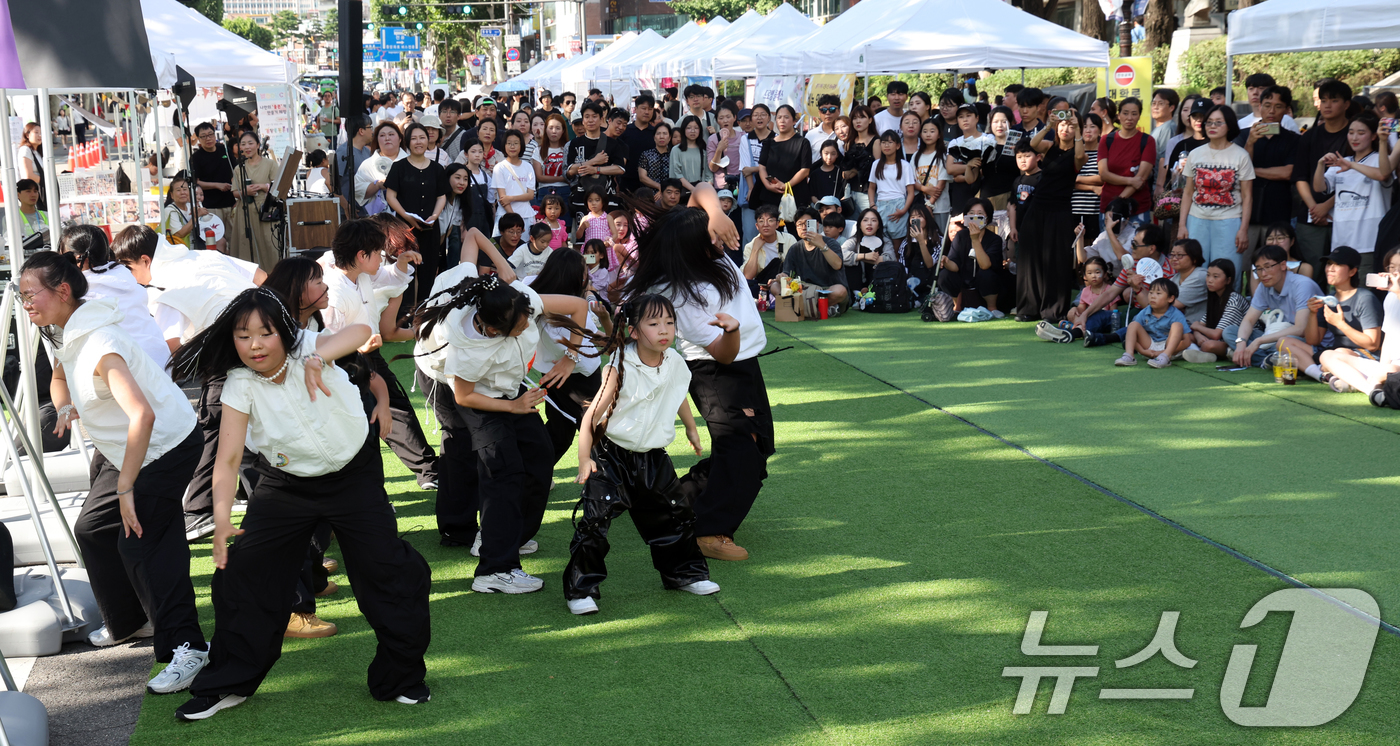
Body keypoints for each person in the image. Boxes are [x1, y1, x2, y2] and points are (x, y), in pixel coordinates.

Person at [168, 288, 430, 721]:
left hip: (353, 476)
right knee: (244, 575)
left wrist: (317, 359)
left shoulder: (309, 346)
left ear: (284, 334)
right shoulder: (238, 384)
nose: (254, 344)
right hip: (286, 486)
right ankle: (228, 683)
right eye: (243, 335)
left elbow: (363, 330)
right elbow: (228, 458)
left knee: (388, 572)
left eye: (265, 333)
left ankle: (400, 677)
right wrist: (218, 521)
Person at [22, 252, 208, 692]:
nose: (26, 304)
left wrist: (126, 486)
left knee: (142, 545)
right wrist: (67, 405)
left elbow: (141, 415)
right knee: (92, 528)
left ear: (62, 291)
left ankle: (189, 647)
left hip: (164, 447)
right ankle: (130, 621)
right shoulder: (73, 331)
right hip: (126, 448)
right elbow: (60, 378)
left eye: (31, 294)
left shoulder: (99, 342)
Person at [412, 272, 587, 591]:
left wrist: (569, 359)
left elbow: (578, 306)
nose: (526, 329)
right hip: (474, 392)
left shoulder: (518, 302)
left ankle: (505, 536)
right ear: (493, 331)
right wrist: (514, 407)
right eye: (519, 329)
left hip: (507, 387)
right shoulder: (465, 347)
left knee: (540, 453)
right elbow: (464, 396)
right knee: (502, 470)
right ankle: (495, 569)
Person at [625, 183, 764, 562]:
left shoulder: (709, 256)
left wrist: (716, 214)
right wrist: (731, 331)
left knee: (760, 447)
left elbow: (700, 189)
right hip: (717, 371)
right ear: (691, 246)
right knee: (740, 451)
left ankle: (677, 496)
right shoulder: (683, 293)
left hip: (746, 364)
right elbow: (720, 353)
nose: (717, 238)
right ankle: (710, 530)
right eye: (709, 235)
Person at [561, 294, 717, 616]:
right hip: (611, 457)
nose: (664, 330)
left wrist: (691, 428)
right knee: (595, 521)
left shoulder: (673, 361)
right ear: (633, 331)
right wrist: (584, 458)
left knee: (675, 514)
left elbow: (677, 394)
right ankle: (580, 589)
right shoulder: (620, 366)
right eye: (654, 323)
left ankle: (683, 574)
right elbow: (590, 418)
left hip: (652, 457)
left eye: (670, 322)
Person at [525, 249, 606, 469]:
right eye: (583, 273)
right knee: (594, 431)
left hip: (554, 373)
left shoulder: (532, 288)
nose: (585, 277)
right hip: (576, 375)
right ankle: (607, 480)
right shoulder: (560, 311)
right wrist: (572, 356)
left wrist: (596, 334)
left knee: (561, 429)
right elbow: (578, 325)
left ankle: (535, 473)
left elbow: (587, 330)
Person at [56, 226, 170, 371]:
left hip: (129, 374)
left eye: (63, 257)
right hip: (162, 364)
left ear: (79, 260)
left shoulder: (80, 293)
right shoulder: (126, 278)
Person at [1276, 247, 1383, 389]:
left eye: (1337, 265)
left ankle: (1326, 370)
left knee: (1337, 353)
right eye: (1328, 264)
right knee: (1284, 342)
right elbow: (1313, 340)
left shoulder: (1365, 298)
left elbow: (1373, 344)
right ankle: (1322, 375)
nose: (1330, 269)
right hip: (1332, 352)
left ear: (1352, 271)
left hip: (1363, 355)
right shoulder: (1329, 299)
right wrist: (1313, 314)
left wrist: (1341, 324)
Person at [1018, 108, 1086, 323]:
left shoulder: (1079, 153)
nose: (1065, 129)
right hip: (1037, 207)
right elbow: (1033, 144)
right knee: (1031, 257)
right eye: (1063, 125)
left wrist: (1078, 131)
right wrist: (1048, 125)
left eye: (1071, 126)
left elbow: (1078, 157)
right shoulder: (1048, 147)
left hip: (1061, 211)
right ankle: (1029, 308)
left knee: (1056, 261)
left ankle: (1053, 311)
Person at [1178, 105, 1254, 282]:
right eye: (1209, 122)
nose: (1212, 126)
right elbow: (1188, 192)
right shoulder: (1196, 154)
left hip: (1229, 221)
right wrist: (1182, 225)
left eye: (1218, 122)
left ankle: (1228, 309)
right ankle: (1198, 310)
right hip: (1196, 220)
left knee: (1226, 272)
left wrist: (1243, 229)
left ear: (1229, 126)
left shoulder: (1241, 156)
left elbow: (1247, 196)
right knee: (1196, 271)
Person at [1314, 114, 1393, 277]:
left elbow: (1382, 175)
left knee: (1366, 291)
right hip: (1341, 242)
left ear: (1373, 136)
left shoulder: (1380, 159)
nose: (1354, 137)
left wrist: (1352, 166)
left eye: (1361, 133)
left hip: (1370, 242)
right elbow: (1319, 187)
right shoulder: (1342, 162)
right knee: (1341, 293)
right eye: (1351, 132)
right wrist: (1320, 164)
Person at [1293, 79, 1355, 277]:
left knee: (1345, 272)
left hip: (1348, 213)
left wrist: (1327, 205)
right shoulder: (1309, 137)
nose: (1327, 105)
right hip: (1311, 218)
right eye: (1323, 100)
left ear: (1346, 104)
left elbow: (1358, 179)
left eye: (1334, 100)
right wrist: (1315, 209)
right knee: (1313, 272)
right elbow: (1300, 177)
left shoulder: (1354, 135)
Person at [1321, 249, 1400, 399]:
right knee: (1327, 356)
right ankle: (1372, 391)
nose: (1395, 273)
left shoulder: (1367, 297)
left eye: (1399, 268)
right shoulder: (1390, 298)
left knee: (1387, 370)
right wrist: (1381, 370)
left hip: (1395, 368)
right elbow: (1388, 340)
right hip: (1388, 368)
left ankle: (1365, 384)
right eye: (1391, 267)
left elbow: (1373, 344)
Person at [1229, 244, 1325, 368]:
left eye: (1268, 267)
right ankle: (1269, 359)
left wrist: (1259, 341)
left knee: (1283, 342)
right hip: (1277, 333)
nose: (1263, 274)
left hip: (1305, 341)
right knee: (1230, 331)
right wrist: (1240, 343)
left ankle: (1263, 358)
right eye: (1258, 268)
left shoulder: (1302, 285)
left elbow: (1300, 329)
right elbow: (1249, 319)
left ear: (1283, 265)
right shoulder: (1263, 287)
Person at [386, 122, 449, 309]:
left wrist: (435, 215)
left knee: (428, 273)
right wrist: (405, 215)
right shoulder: (399, 167)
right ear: (407, 142)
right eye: (413, 138)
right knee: (405, 274)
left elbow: (442, 196)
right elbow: (391, 195)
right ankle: (403, 316)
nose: (418, 142)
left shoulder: (437, 169)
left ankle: (424, 314)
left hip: (430, 228)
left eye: (422, 137)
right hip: (404, 229)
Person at [1237, 86, 1301, 258]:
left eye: (1278, 106)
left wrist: (1252, 170)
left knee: (1274, 261)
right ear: (1259, 107)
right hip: (1245, 211)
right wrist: (1250, 143)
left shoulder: (1293, 140)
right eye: (1267, 105)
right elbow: (1238, 170)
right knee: (1242, 263)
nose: (1271, 111)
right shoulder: (1243, 135)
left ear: (1287, 109)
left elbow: (1288, 173)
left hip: (1278, 209)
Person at [937, 198, 1004, 316]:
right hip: (964, 282)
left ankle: (992, 307)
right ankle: (957, 305)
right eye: (971, 214)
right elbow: (955, 266)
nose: (975, 217)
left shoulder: (994, 239)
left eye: (980, 214)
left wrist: (975, 240)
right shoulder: (960, 236)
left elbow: (985, 265)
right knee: (945, 275)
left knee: (986, 274)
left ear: (987, 218)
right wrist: (946, 262)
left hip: (986, 284)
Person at [769, 207, 848, 306]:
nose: (803, 227)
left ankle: (802, 307)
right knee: (775, 286)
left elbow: (837, 265)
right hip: (804, 291)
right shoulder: (795, 248)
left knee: (840, 291)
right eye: (799, 224)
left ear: (817, 224)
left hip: (827, 290)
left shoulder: (830, 243)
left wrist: (822, 246)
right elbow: (787, 274)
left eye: (807, 223)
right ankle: (816, 308)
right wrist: (780, 277)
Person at [1098, 97, 1156, 226]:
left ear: (1139, 116)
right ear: (1118, 115)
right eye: (1125, 113)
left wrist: (1118, 203)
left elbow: (1140, 179)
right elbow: (1104, 174)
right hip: (1108, 208)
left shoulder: (1148, 141)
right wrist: (1130, 180)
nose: (1129, 118)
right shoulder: (1106, 140)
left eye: (1134, 114)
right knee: (1108, 246)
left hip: (1137, 208)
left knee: (1138, 246)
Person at [565, 101, 625, 224]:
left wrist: (596, 169)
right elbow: (570, 171)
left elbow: (620, 169)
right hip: (582, 197)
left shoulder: (612, 143)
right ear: (583, 120)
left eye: (594, 116)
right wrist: (593, 161)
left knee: (607, 236)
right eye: (587, 117)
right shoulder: (575, 144)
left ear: (601, 119)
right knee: (582, 236)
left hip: (607, 196)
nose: (590, 120)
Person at [1035, 257, 1119, 343]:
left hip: (1104, 321)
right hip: (1088, 318)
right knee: (1072, 313)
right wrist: (1075, 309)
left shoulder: (1110, 290)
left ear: (1105, 274)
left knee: (1098, 315)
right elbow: (1081, 309)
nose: (1093, 276)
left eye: (1097, 272)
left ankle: (1070, 330)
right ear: (1085, 276)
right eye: (1089, 273)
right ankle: (1069, 330)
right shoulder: (1086, 291)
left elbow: (1114, 313)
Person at [1114, 278, 1189, 368]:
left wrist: (1162, 352)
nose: (1153, 296)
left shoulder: (1176, 314)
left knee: (1177, 325)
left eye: (1158, 293)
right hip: (1149, 348)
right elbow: (1134, 336)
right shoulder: (1144, 312)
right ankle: (1129, 356)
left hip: (1170, 349)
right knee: (1133, 325)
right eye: (1151, 292)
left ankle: (1165, 357)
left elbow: (1187, 341)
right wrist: (1142, 351)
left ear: (1170, 298)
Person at [756, 105, 812, 221]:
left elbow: (805, 170)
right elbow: (762, 167)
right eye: (779, 117)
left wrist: (786, 185)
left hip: (795, 194)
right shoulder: (768, 143)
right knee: (770, 230)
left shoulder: (802, 142)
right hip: (770, 194)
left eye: (786, 117)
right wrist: (767, 185)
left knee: (796, 232)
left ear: (794, 121)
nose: (782, 120)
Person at [868, 130, 916, 248]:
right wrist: (872, 205)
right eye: (883, 142)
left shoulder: (905, 165)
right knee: (879, 242)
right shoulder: (876, 164)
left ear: (898, 145)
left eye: (890, 142)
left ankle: (898, 266)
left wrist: (904, 210)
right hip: (881, 205)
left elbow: (910, 192)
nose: (886, 145)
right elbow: (871, 188)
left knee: (897, 245)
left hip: (898, 205)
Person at [947, 103, 994, 220]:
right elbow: (950, 168)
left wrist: (961, 174)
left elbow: (985, 168)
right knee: (959, 228)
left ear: (977, 118)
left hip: (982, 190)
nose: (965, 119)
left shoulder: (988, 139)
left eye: (968, 115)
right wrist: (969, 165)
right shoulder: (955, 142)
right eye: (961, 117)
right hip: (960, 194)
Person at [191, 122, 238, 232]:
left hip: (230, 203)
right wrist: (217, 185)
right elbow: (196, 182)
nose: (208, 139)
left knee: (233, 239)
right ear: (198, 138)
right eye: (203, 136)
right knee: (216, 239)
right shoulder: (196, 158)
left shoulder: (225, 150)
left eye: (210, 134)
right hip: (210, 206)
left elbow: (236, 172)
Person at [739, 106, 775, 246]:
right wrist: (751, 188)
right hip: (751, 188)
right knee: (749, 233)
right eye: (756, 115)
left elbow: (775, 167)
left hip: (770, 189)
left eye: (763, 114)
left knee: (770, 232)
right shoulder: (745, 138)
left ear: (769, 118)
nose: (759, 118)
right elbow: (745, 168)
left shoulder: (776, 138)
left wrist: (755, 169)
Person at [911, 118, 950, 235]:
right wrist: (924, 189)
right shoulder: (916, 156)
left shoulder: (943, 155)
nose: (928, 134)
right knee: (918, 237)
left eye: (932, 131)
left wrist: (930, 205)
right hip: (919, 209)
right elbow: (911, 181)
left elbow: (941, 185)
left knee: (940, 238)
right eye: (925, 131)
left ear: (939, 135)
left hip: (940, 207)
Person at [743, 204, 797, 286]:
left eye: (770, 220)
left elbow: (797, 267)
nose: (765, 224)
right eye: (761, 221)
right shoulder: (750, 246)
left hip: (786, 285)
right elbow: (748, 277)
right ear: (757, 226)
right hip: (762, 288)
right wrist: (755, 249)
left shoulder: (789, 239)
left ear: (777, 224)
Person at [1072, 113, 1104, 238]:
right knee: (1076, 248)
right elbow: (1066, 180)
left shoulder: (1103, 152)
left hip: (1096, 208)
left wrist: (1077, 179)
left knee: (1094, 247)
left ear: (1100, 131)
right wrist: (1092, 186)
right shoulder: (1074, 151)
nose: (1088, 130)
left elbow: (1102, 178)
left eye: (1093, 126)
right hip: (1075, 207)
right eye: (1085, 126)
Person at [620, 94, 660, 192]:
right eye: (643, 108)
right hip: (626, 181)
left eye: (650, 109)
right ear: (636, 109)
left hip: (650, 182)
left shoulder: (656, 133)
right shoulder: (625, 131)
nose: (647, 112)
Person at [1237, 73, 1302, 134]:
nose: (1255, 92)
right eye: (1251, 89)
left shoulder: (1285, 120)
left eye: (1261, 88)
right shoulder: (1241, 123)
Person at [845, 106, 878, 215]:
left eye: (862, 117)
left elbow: (877, 170)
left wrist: (854, 170)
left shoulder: (876, 142)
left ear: (870, 120)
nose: (858, 121)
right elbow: (846, 174)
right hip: (851, 192)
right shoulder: (849, 142)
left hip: (868, 193)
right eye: (854, 118)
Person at [1168, 238, 1208, 322]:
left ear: (1194, 258)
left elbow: (1166, 305)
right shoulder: (1175, 278)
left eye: (1179, 255)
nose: (1174, 259)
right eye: (1172, 255)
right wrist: (1138, 288)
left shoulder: (1199, 276)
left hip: (1196, 329)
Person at [707, 103, 743, 193]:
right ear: (717, 121)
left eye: (728, 117)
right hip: (722, 186)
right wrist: (719, 149)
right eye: (721, 118)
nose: (725, 121)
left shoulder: (743, 137)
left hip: (741, 183)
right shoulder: (713, 139)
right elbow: (713, 168)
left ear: (734, 118)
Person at [670, 116, 711, 194]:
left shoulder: (703, 150)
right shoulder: (676, 150)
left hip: (701, 191)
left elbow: (708, 174)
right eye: (689, 128)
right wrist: (693, 190)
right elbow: (677, 174)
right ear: (683, 130)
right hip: (682, 192)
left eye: (696, 128)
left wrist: (706, 189)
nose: (693, 131)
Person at [637, 122, 672, 193]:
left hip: (669, 194)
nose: (661, 136)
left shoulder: (673, 155)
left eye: (665, 133)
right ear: (654, 137)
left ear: (669, 137)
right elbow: (642, 177)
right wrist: (659, 187)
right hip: (648, 194)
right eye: (658, 133)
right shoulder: (646, 154)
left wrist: (664, 191)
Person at [12, 179, 49, 243]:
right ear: (18, 195)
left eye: (35, 191)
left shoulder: (47, 215)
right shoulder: (12, 218)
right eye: (28, 191)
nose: (33, 195)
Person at [1149, 88, 1181, 154]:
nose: (1155, 107)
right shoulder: (1160, 128)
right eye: (1154, 103)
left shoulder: (1168, 128)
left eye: (1160, 103)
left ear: (1171, 108)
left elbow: (1164, 158)